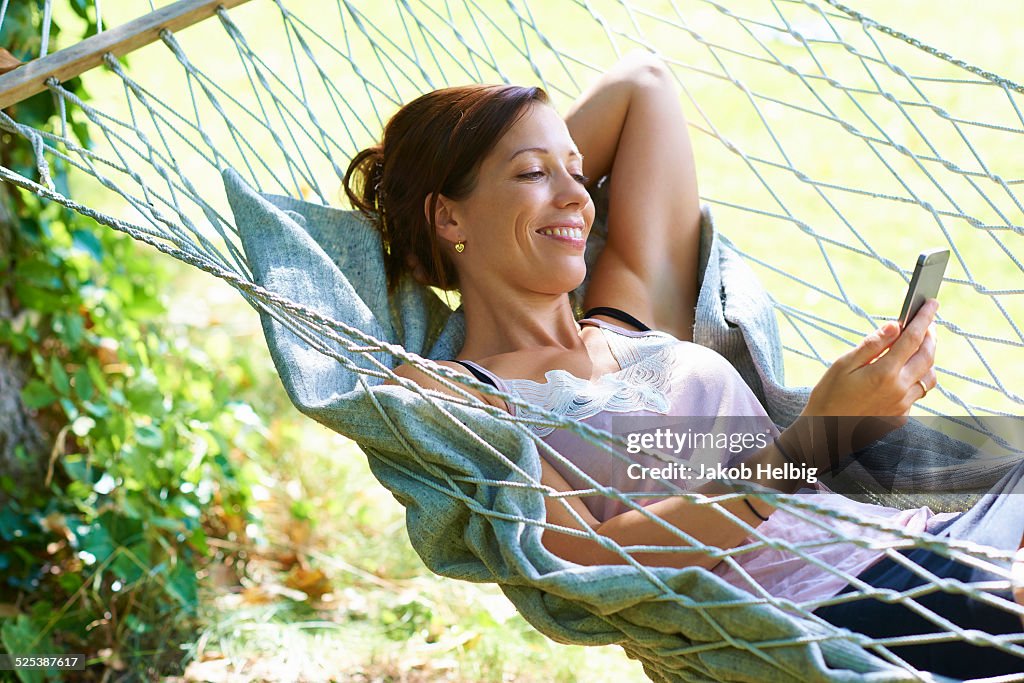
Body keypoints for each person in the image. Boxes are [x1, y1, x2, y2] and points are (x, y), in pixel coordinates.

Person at [350, 51, 1024, 676]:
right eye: (532, 172)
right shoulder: (455, 393)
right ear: (447, 218)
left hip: (926, 536)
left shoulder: (631, 311)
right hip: (842, 606)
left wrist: (514, 173)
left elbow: (643, 85)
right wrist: (820, 437)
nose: (578, 198)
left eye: (578, 173)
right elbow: (584, 560)